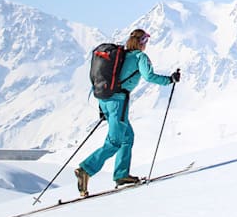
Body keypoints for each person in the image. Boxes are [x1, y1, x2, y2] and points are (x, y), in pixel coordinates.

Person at [75, 28, 179, 196]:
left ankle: (121, 175)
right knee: (115, 141)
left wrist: (103, 109)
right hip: (118, 102)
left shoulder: (120, 55)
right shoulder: (140, 57)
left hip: (104, 100)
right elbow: (149, 76)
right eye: (145, 41)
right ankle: (86, 169)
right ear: (141, 42)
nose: (146, 45)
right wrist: (170, 80)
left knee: (127, 137)